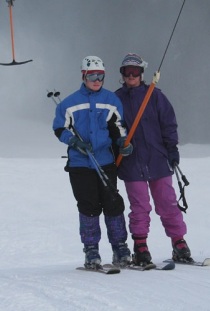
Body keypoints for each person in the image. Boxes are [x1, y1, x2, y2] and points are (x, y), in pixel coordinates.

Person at [52, 56, 134, 268]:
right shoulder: (68, 103)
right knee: (88, 205)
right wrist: (73, 141)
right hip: (80, 164)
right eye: (92, 76)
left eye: (101, 76)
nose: (97, 80)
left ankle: (120, 246)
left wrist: (122, 141)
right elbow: (60, 128)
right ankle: (91, 250)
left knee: (112, 202)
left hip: (105, 160)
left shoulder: (111, 100)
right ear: (84, 75)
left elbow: (117, 126)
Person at [115, 53, 192, 265]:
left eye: (135, 71)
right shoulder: (115, 99)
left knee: (167, 203)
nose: (131, 76)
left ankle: (179, 242)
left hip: (158, 160)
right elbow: (111, 129)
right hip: (131, 163)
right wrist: (118, 146)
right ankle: (141, 246)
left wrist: (172, 149)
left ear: (142, 73)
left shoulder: (155, 96)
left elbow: (169, 124)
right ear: (122, 75)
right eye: (127, 72)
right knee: (139, 206)